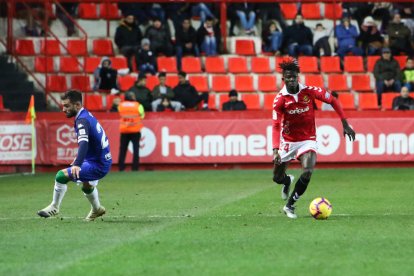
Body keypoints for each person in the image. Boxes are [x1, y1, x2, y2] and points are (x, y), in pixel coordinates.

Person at [272, 59, 355, 219]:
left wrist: (345, 123)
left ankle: (289, 206)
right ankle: (286, 181)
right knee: (277, 177)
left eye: (293, 76)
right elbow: (276, 125)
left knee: (308, 171)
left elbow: (332, 100)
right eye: (288, 77)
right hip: (288, 142)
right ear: (284, 79)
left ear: (298, 76)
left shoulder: (309, 91)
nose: (291, 80)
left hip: (307, 140)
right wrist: (275, 150)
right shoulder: (280, 99)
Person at [37, 90, 112, 221]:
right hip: (98, 160)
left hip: (98, 164)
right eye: (63, 105)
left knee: (61, 176)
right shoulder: (85, 115)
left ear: (77, 105)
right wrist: (80, 160)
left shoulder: (82, 120)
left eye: (66, 106)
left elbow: (84, 143)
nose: (63, 109)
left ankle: (54, 207)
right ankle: (97, 209)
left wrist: (78, 164)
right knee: (86, 185)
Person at [117, 91, 145, 171]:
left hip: (124, 130)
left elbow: (119, 113)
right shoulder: (138, 105)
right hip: (135, 130)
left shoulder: (121, 105)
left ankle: (121, 167)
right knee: (136, 149)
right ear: (132, 97)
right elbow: (142, 116)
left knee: (123, 149)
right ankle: (135, 167)